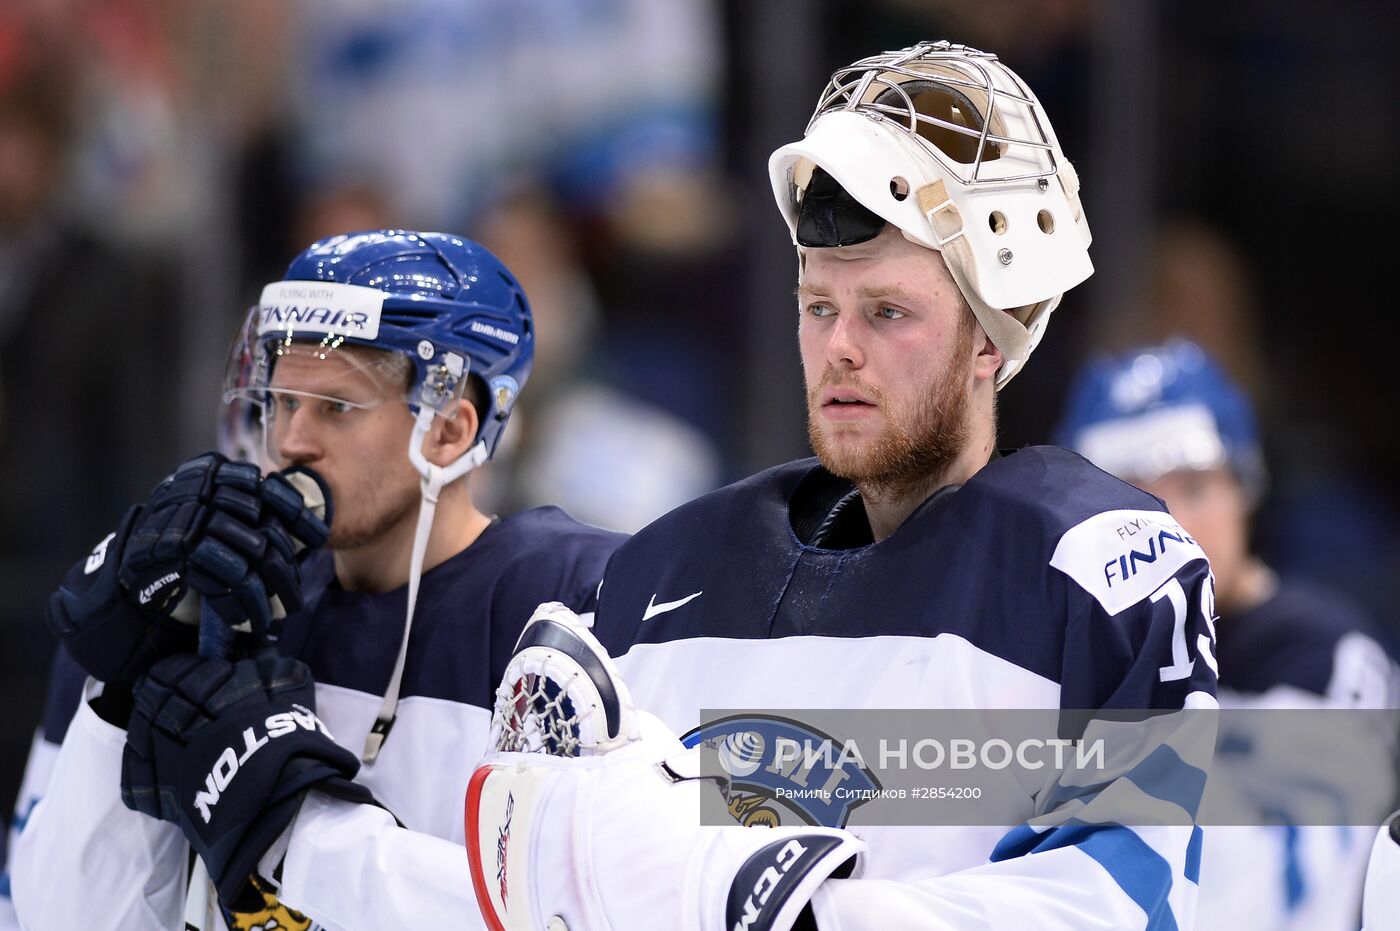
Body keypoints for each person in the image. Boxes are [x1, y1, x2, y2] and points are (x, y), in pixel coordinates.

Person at [466, 40, 1219, 930]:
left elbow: (1128, 895)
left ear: (990, 336)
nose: (840, 349)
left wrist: (798, 911)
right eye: (818, 306)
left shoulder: (1100, 570)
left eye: (888, 312)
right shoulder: (665, 574)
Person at [9, 230, 625, 931]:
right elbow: (58, 919)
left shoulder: (574, 610)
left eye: (336, 407)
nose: (293, 439)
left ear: (450, 431)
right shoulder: (228, 605)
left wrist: (297, 827)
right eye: (282, 403)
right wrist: (122, 693)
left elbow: (591, 911)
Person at [1056, 338, 1400, 930]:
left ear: (1245, 486)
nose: (1170, 525)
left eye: (1194, 488)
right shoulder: (1061, 653)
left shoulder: (1326, 656)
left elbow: (1283, 899)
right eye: (1131, 499)